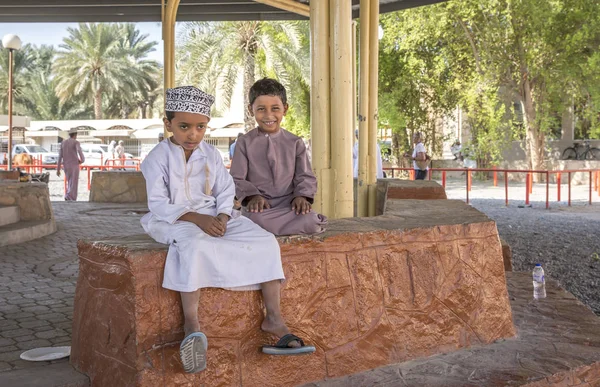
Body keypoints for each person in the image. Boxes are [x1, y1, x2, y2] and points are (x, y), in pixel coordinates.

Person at [140, 86, 315, 374]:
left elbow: (225, 189)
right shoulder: (156, 158)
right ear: (168, 124)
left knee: (265, 241)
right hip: (173, 220)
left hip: (215, 217)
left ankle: (274, 318)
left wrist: (222, 215)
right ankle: (191, 327)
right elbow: (158, 203)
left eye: (200, 127)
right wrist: (198, 220)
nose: (192, 134)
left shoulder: (210, 153)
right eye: (184, 127)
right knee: (194, 245)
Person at [230, 78, 327, 236]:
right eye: (261, 109)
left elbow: (305, 176)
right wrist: (253, 196)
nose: (269, 115)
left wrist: (301, 196)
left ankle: (266, 230)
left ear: (285, 109)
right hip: (260, 208)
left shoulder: (295, 142)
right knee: (254, 220)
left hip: (289, 206)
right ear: (250, 110)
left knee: (311, 220)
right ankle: (261, 227)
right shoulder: (244, 143)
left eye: (275, 108)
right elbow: (236, 178)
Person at [57, 127, 85, 201]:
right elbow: (79, 150)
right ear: (75, 134)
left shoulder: (63, 143)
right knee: (74, 182)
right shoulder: (76, 142)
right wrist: (82, 160)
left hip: (66, 166)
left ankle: (68, 195)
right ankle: (70, 197)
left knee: (69, 181)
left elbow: (60, 156)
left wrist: (58, 169)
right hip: (74, 165)